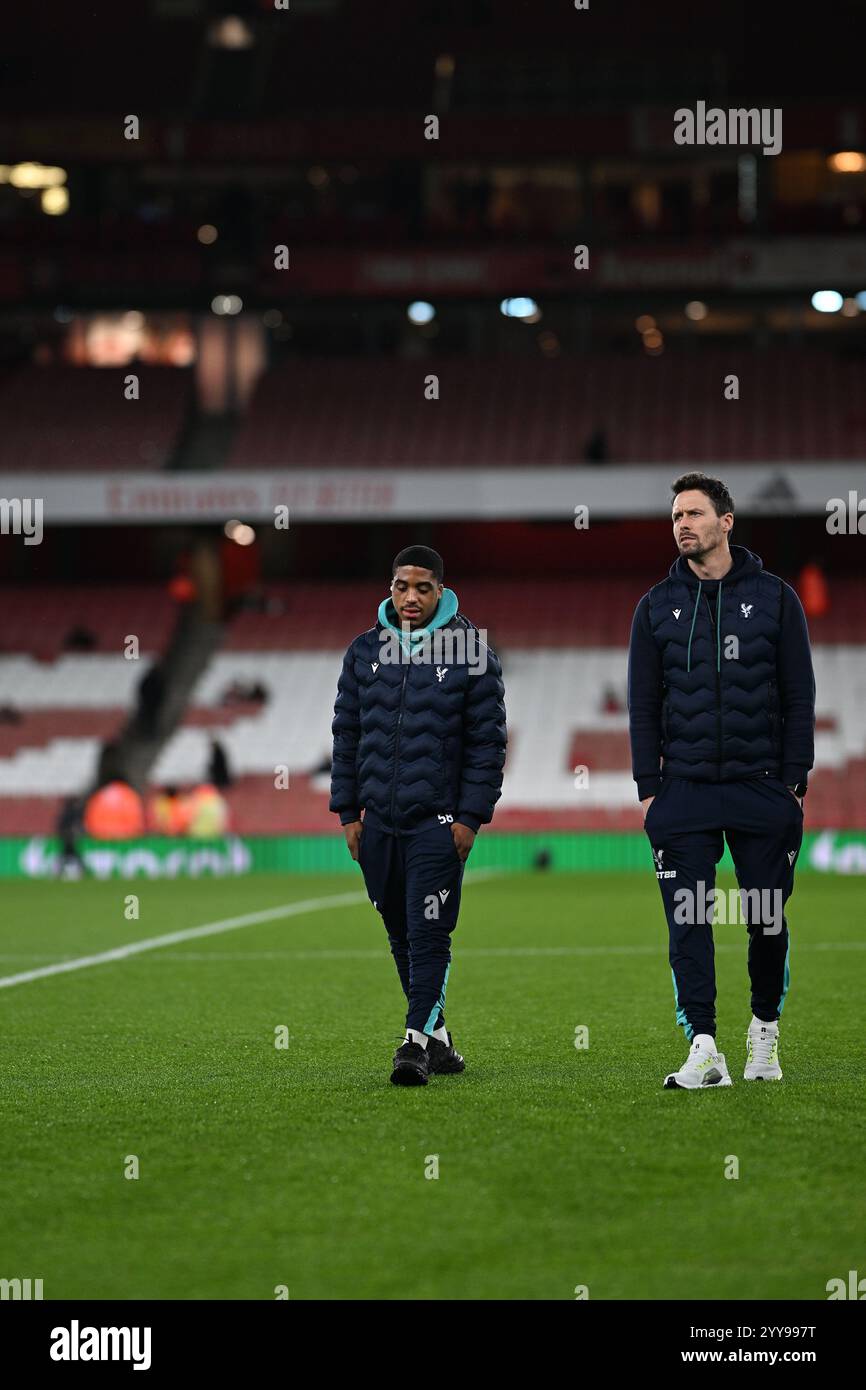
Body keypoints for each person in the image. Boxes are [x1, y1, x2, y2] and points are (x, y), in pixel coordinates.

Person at [627, 473, 815, 1090]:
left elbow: (798, 694)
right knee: (690, 921)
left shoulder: (777, 598)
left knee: (765, 918)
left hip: (762, 789)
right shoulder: (655, 607)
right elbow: (643, 705)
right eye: (676, 515)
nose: (682, 524)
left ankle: (764, 1035)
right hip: (682, 794)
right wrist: (650, 790)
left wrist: (793, 783)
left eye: (695, 514)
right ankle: (704, 1048)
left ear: (726, 522)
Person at [329, 545, 507, 1087]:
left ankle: (412, 1044)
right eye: (402, 586)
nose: (411, 597)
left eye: (422, 588)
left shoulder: (471, 651)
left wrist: (470, 817)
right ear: (390, 588)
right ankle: (441, 1041)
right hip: (377, 823)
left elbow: (487, 743)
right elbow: (347, 733)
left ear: (440, 591)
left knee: (429, 932)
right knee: (399, 932)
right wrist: (347, 811)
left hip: (437, 822)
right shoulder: (364, 652)